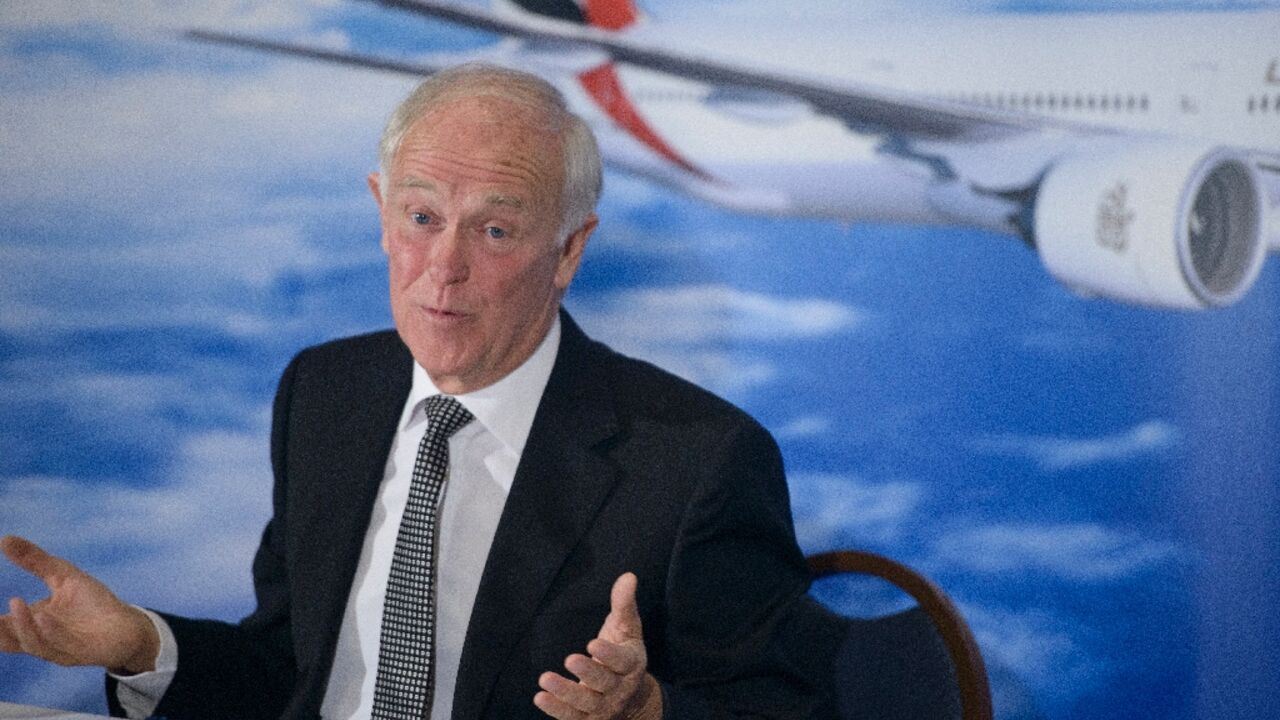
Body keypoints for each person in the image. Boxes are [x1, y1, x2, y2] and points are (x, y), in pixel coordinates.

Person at [0, 64, 816, 719]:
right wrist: (139, 645)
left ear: (568, 251)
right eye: (422, 218)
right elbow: (289, 672)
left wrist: (646, 709)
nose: (445, 267)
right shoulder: (327, 393)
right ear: (381, 213)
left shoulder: (696, 460)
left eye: (494, 230)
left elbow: (779, 708)